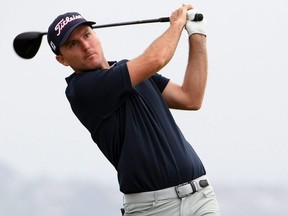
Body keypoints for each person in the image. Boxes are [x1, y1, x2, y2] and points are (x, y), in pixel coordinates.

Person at [47, 4, 220, 216]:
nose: (85, 45)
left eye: (87, 35)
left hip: (200, 197)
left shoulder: (129, 70)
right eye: (73, 43)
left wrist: (197, 34)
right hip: (152, 209)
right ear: (62, 59)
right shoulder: (82, 89)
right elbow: (156, 59)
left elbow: (191, 98)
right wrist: (177, 24)